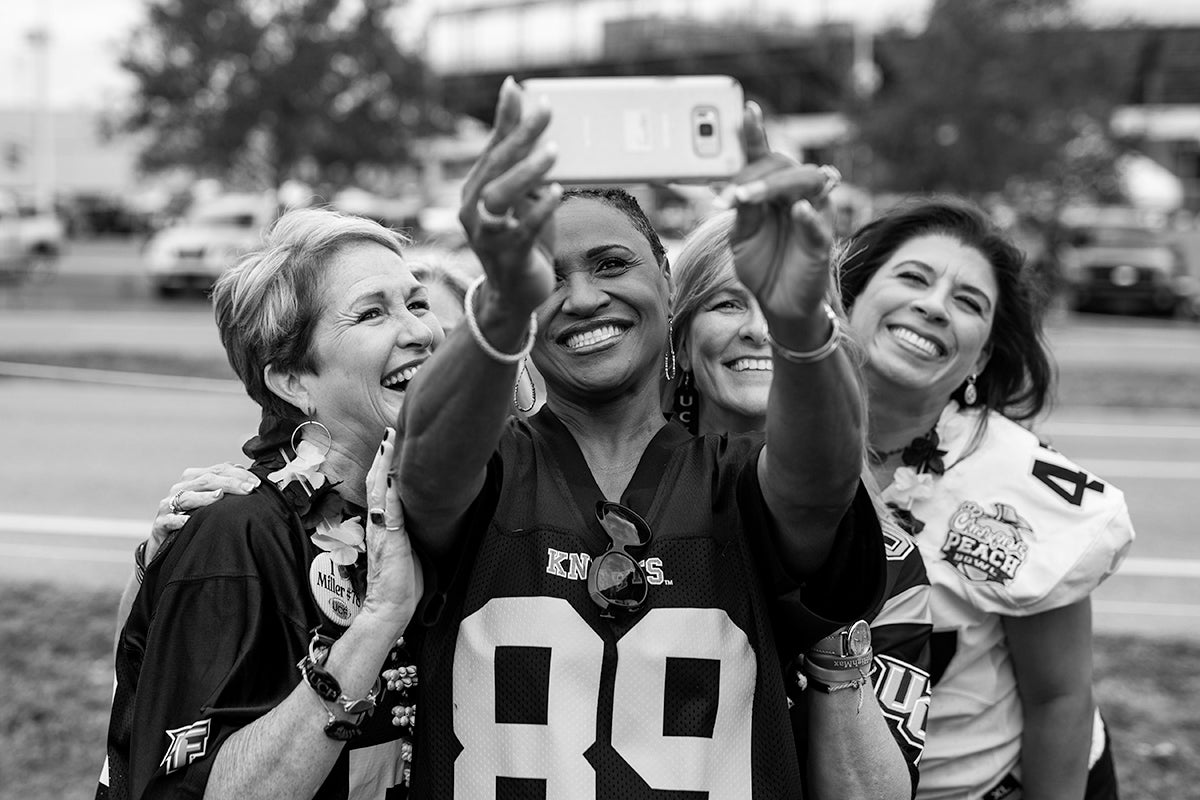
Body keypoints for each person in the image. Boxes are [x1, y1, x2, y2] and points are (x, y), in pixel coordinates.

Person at [392, 77, 886, 796]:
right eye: (548, 278)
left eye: (612, 264)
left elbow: (823, 484)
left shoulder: (739, 478)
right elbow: (425, 471)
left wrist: (801, 318)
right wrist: (501, 303)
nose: (584, 296)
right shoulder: (489, 461)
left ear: (664, 277)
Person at [99, 208, 432, 800]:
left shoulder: (422, 504)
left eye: (417, 303)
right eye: (373, 312)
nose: (419, 331)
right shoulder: (235, 533)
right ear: (293, 382)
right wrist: (379, 619)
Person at [837, 198, 1133, 800]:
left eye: (968, 302)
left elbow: (1060, 698)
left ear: (983, 356)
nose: (933, 305)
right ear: (848, 299)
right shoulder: (765, 425)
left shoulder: (1018, 484)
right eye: (913, 277)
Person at [669, 208, 932, 799]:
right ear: (680, 344)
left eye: (790, 305)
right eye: (727, 303)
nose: (763, 329)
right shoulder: (607, 511)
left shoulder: (890, 558)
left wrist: (827, 614)